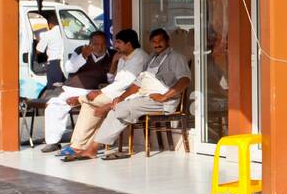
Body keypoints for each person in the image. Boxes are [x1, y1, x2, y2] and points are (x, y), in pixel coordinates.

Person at [64, 28, 191, 161]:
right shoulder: (153, 58)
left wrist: (165, 96)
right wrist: (121, 97)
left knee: (120, 108)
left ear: (168, 41)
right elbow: (138, 83)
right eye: (154, 42)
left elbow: (185, 80)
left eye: (161, 41)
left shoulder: (176, 57)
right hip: (146, 96)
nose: (157, 44)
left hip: (162, 101)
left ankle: (91, 148)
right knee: (118, 107)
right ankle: (91, 149)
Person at [61, 29, 148, 156]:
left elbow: (126, 83)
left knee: (90, 101)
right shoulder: (122, 56)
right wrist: (114, 62)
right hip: (117, 92)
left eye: (118, 42)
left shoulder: (139, 56)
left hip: (130, 94)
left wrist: (99, 92)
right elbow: (115, 80)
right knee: (91, 104)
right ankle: (81, 145)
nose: (115, 45)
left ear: (128, 44)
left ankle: (79, 144)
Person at [38, 30, 112, 152]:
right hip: (71, 89)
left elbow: (112, 78)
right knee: (54, 105)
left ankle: (94, 141)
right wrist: (83, 56)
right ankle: (53, 142)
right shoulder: (80, 50)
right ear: (89, 44)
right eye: (96, 44)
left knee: (97, 107)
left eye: (103, 44)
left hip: (94, 91)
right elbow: (69, 68)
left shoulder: (112, 55)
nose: (99, 47)